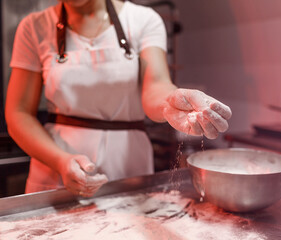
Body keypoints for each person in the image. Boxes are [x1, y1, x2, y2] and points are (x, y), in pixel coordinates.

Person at [5, 0, 232, 197]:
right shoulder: (34, 27)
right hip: (56, 167)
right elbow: (18, 112)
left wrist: (168, 103)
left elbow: (155, 85)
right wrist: (60, 161)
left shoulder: (143, 20)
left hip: (128, 165)